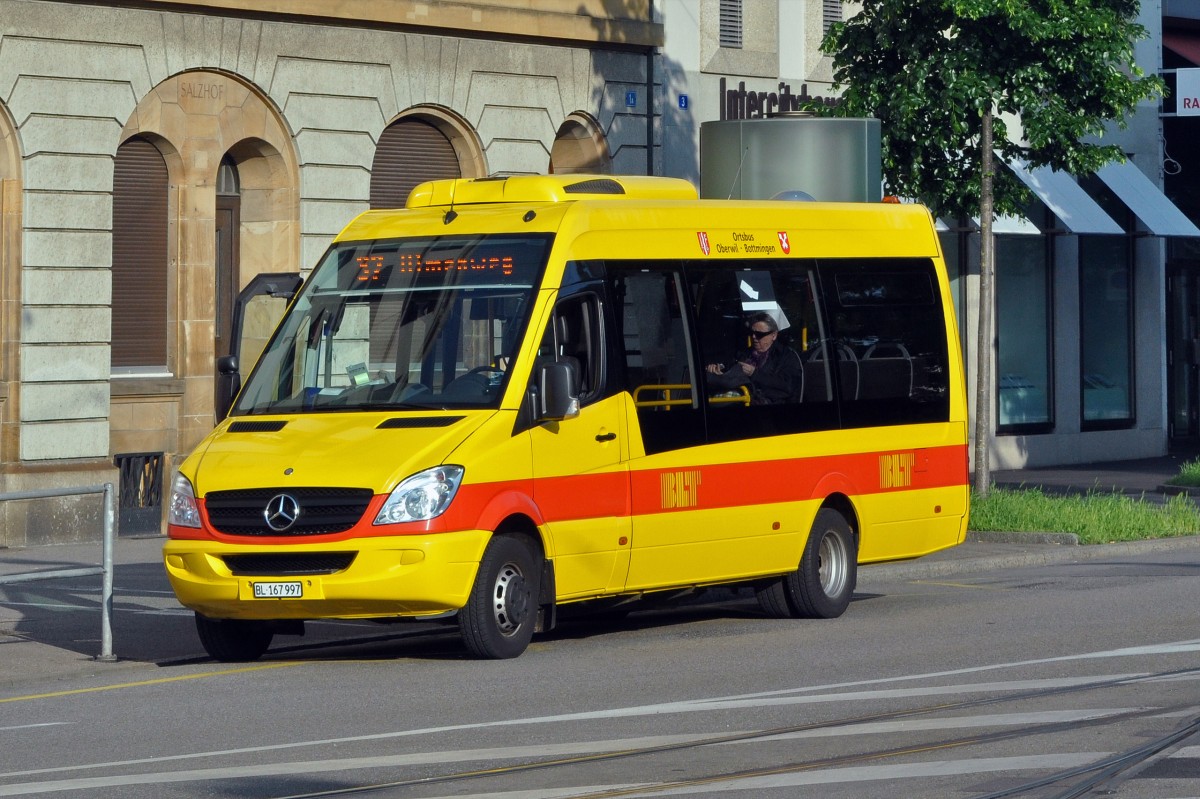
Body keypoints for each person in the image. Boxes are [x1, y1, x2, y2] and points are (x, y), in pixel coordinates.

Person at [706, 312, 802, 404]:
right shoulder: (743, 354)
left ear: (774, 335)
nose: (754, 337)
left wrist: (754, 374)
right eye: (751, 333)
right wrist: (720, 373)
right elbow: (730, 369)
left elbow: (787, 386)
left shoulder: (786, 356)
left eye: (759, 334)